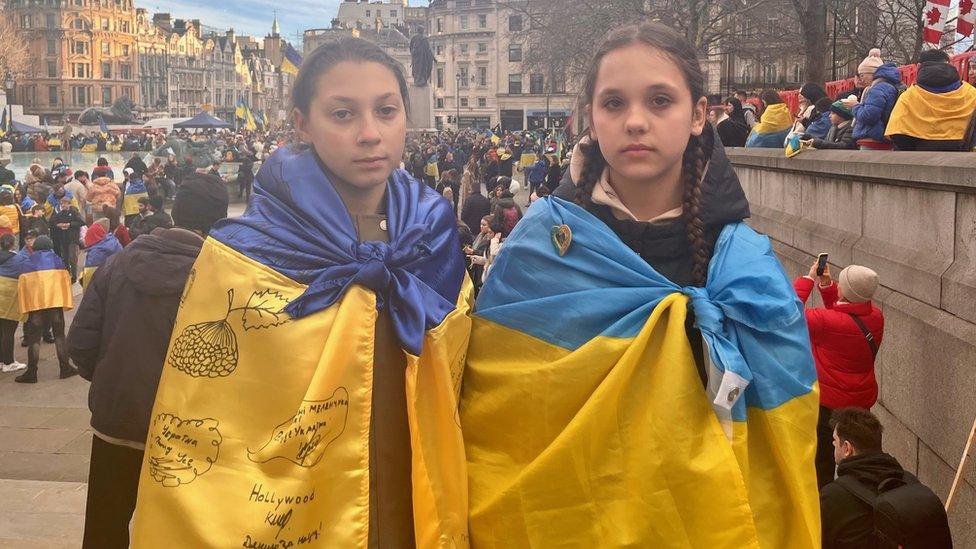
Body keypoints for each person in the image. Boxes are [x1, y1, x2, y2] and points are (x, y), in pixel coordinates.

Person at [463, 22, 818, 547]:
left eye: (659, 100)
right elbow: (497, 424)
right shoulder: (536, 248)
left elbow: (782, 453)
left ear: (699, 115)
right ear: (590, 118)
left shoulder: (748, 267)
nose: (635, 121)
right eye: (613, 103)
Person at [129, 37, 471, 547]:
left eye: (386, 110)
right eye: (343, 114)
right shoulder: (241, 254)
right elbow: (209, 411)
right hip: (292, 512)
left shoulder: (435, 233)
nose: (370, 134)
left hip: (413, 491)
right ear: (302, 124)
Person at [68, 174, 228, 549]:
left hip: (117, 422)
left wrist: (113, 378)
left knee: (104, 529)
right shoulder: (223, 277)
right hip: (188, 432)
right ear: (219, 220)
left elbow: (81, 345)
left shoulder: (117, 264)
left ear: (176, 211)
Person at [794, 260, 883, 488]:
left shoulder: (825, 322)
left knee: (822, 463)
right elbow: (845, 313)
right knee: (858, 459)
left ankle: (825, 507)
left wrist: (809, 279)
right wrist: (828, 286)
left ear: (845, 290)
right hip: (860, 404)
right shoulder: (876, 317)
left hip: (829, 407)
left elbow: (788, 312)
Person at [820, 408, 952, 549]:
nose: (833, 444)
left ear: (847, 448)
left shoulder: (833, 495)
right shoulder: (908, 481)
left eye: (835, 440)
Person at [886, 49, 976, 151]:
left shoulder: (909, 96)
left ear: (920, 66)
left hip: (920, 157)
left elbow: (896, 133)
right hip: (963, 155)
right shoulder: (971, 93)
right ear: (948, 64)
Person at [14, 235, 76, 383]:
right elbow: (66, 281)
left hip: (36, 306)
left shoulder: (27, 264)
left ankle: (32, 372)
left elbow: (23, 286)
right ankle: (65, 367)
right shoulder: (58, 261)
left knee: (34, 339)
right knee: (60, 335)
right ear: (50, 246)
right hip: (55, 303)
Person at [845, 51, 902, 150]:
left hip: (873, 139)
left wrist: (855, 106)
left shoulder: (877, 90)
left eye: (862, 75)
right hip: (885, 138)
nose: (861, 79)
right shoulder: (889, 86)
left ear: (872, 74)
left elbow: (868, 116)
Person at [0, 233, 28, 372]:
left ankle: (1, 361)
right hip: (9, 298)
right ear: (13, 244)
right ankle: (9, 362)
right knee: (8, 331)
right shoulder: (20, 259)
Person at [50, 195, 85, 283]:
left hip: (73, 238)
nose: (63, 205)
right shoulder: (60, 214)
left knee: (73, 257)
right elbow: (53, 222)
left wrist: (70, 224)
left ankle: (74, 276)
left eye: (65, 204)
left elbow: (82, 222)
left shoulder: (74, 212)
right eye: (62, 204)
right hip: (63, 238)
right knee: (65, 258)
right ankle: (67, 275)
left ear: (69, 204)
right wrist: (59, 225)